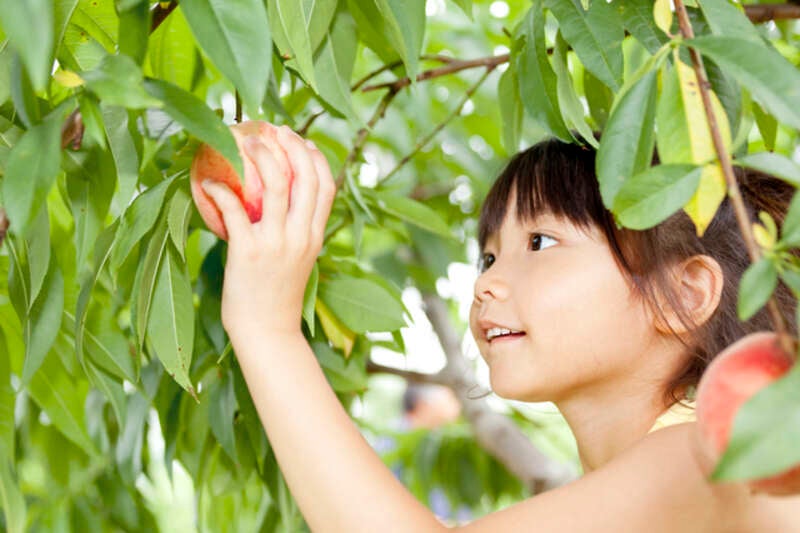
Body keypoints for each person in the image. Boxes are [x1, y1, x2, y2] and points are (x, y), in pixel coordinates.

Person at [200, 127, 800, 532]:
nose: (486, 284)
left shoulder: (704, 454)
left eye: (540, 242)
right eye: (487, 257)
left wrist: (268, 327)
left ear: (686, 295)